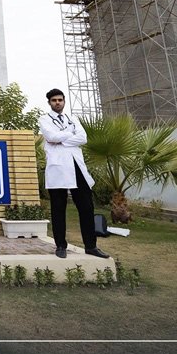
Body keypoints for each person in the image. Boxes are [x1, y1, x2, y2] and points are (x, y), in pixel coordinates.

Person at [38, 88, 109, 260]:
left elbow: (83, 138)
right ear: (49, 102)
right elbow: (50, 136)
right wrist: (70, 135)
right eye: (54, 100)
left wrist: (61, 139)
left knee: (86, 207)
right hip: (58, 167)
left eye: (60, 100)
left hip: (76, 166)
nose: (57, 103)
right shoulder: (44, 119)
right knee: (58, 208)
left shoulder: (73, 118)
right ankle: (60, 246)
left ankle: (91, 246)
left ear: (64, 101)